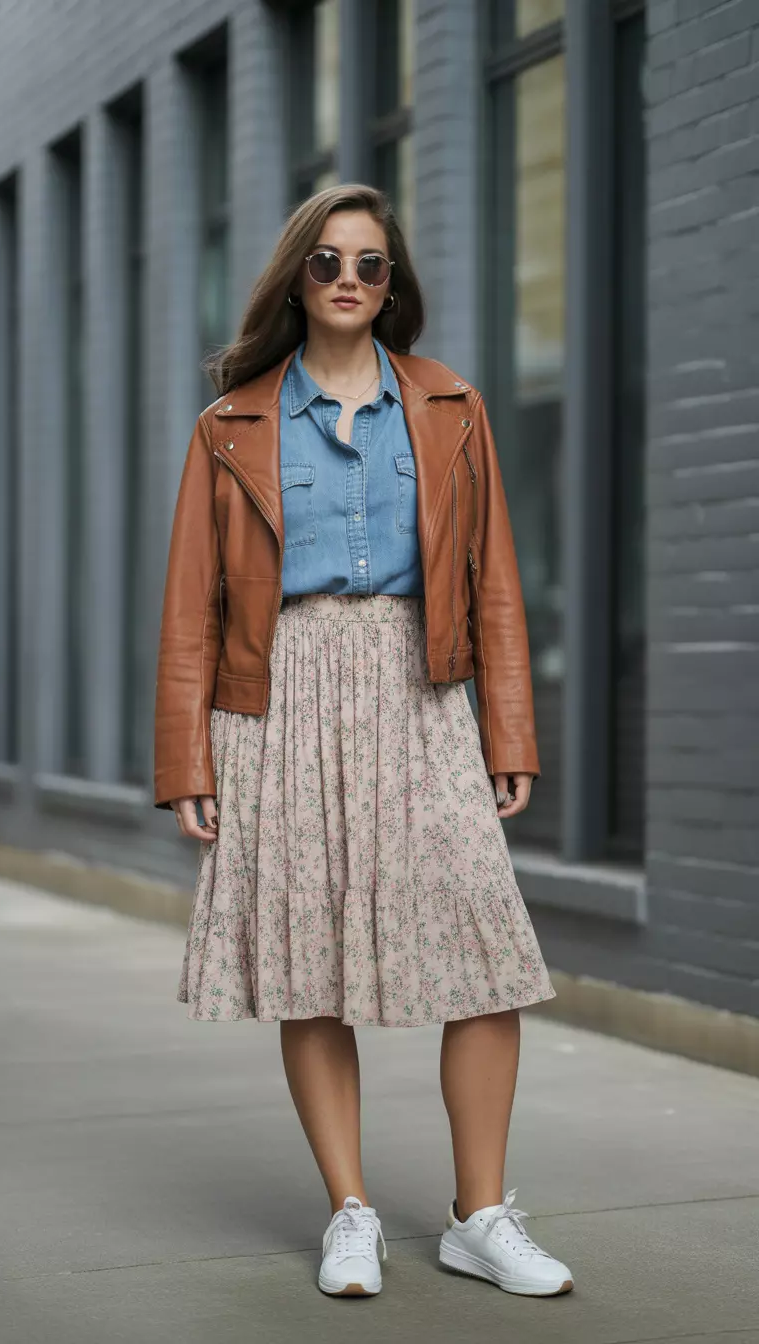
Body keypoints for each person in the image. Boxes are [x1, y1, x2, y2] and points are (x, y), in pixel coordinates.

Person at [153, 183, 573, 1300]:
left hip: (421, 685)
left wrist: (508, 728)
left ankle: (480, 1215)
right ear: (298, 277)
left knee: (486, 953)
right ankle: (351, 1211)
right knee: (309, 965)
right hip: (278, 694)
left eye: (371, 264)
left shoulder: (452, 407)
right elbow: (191, 603)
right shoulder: (231, 422)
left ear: (394, 286)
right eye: (329, 261)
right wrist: (186, 760)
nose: (349, 278)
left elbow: (494, 586)